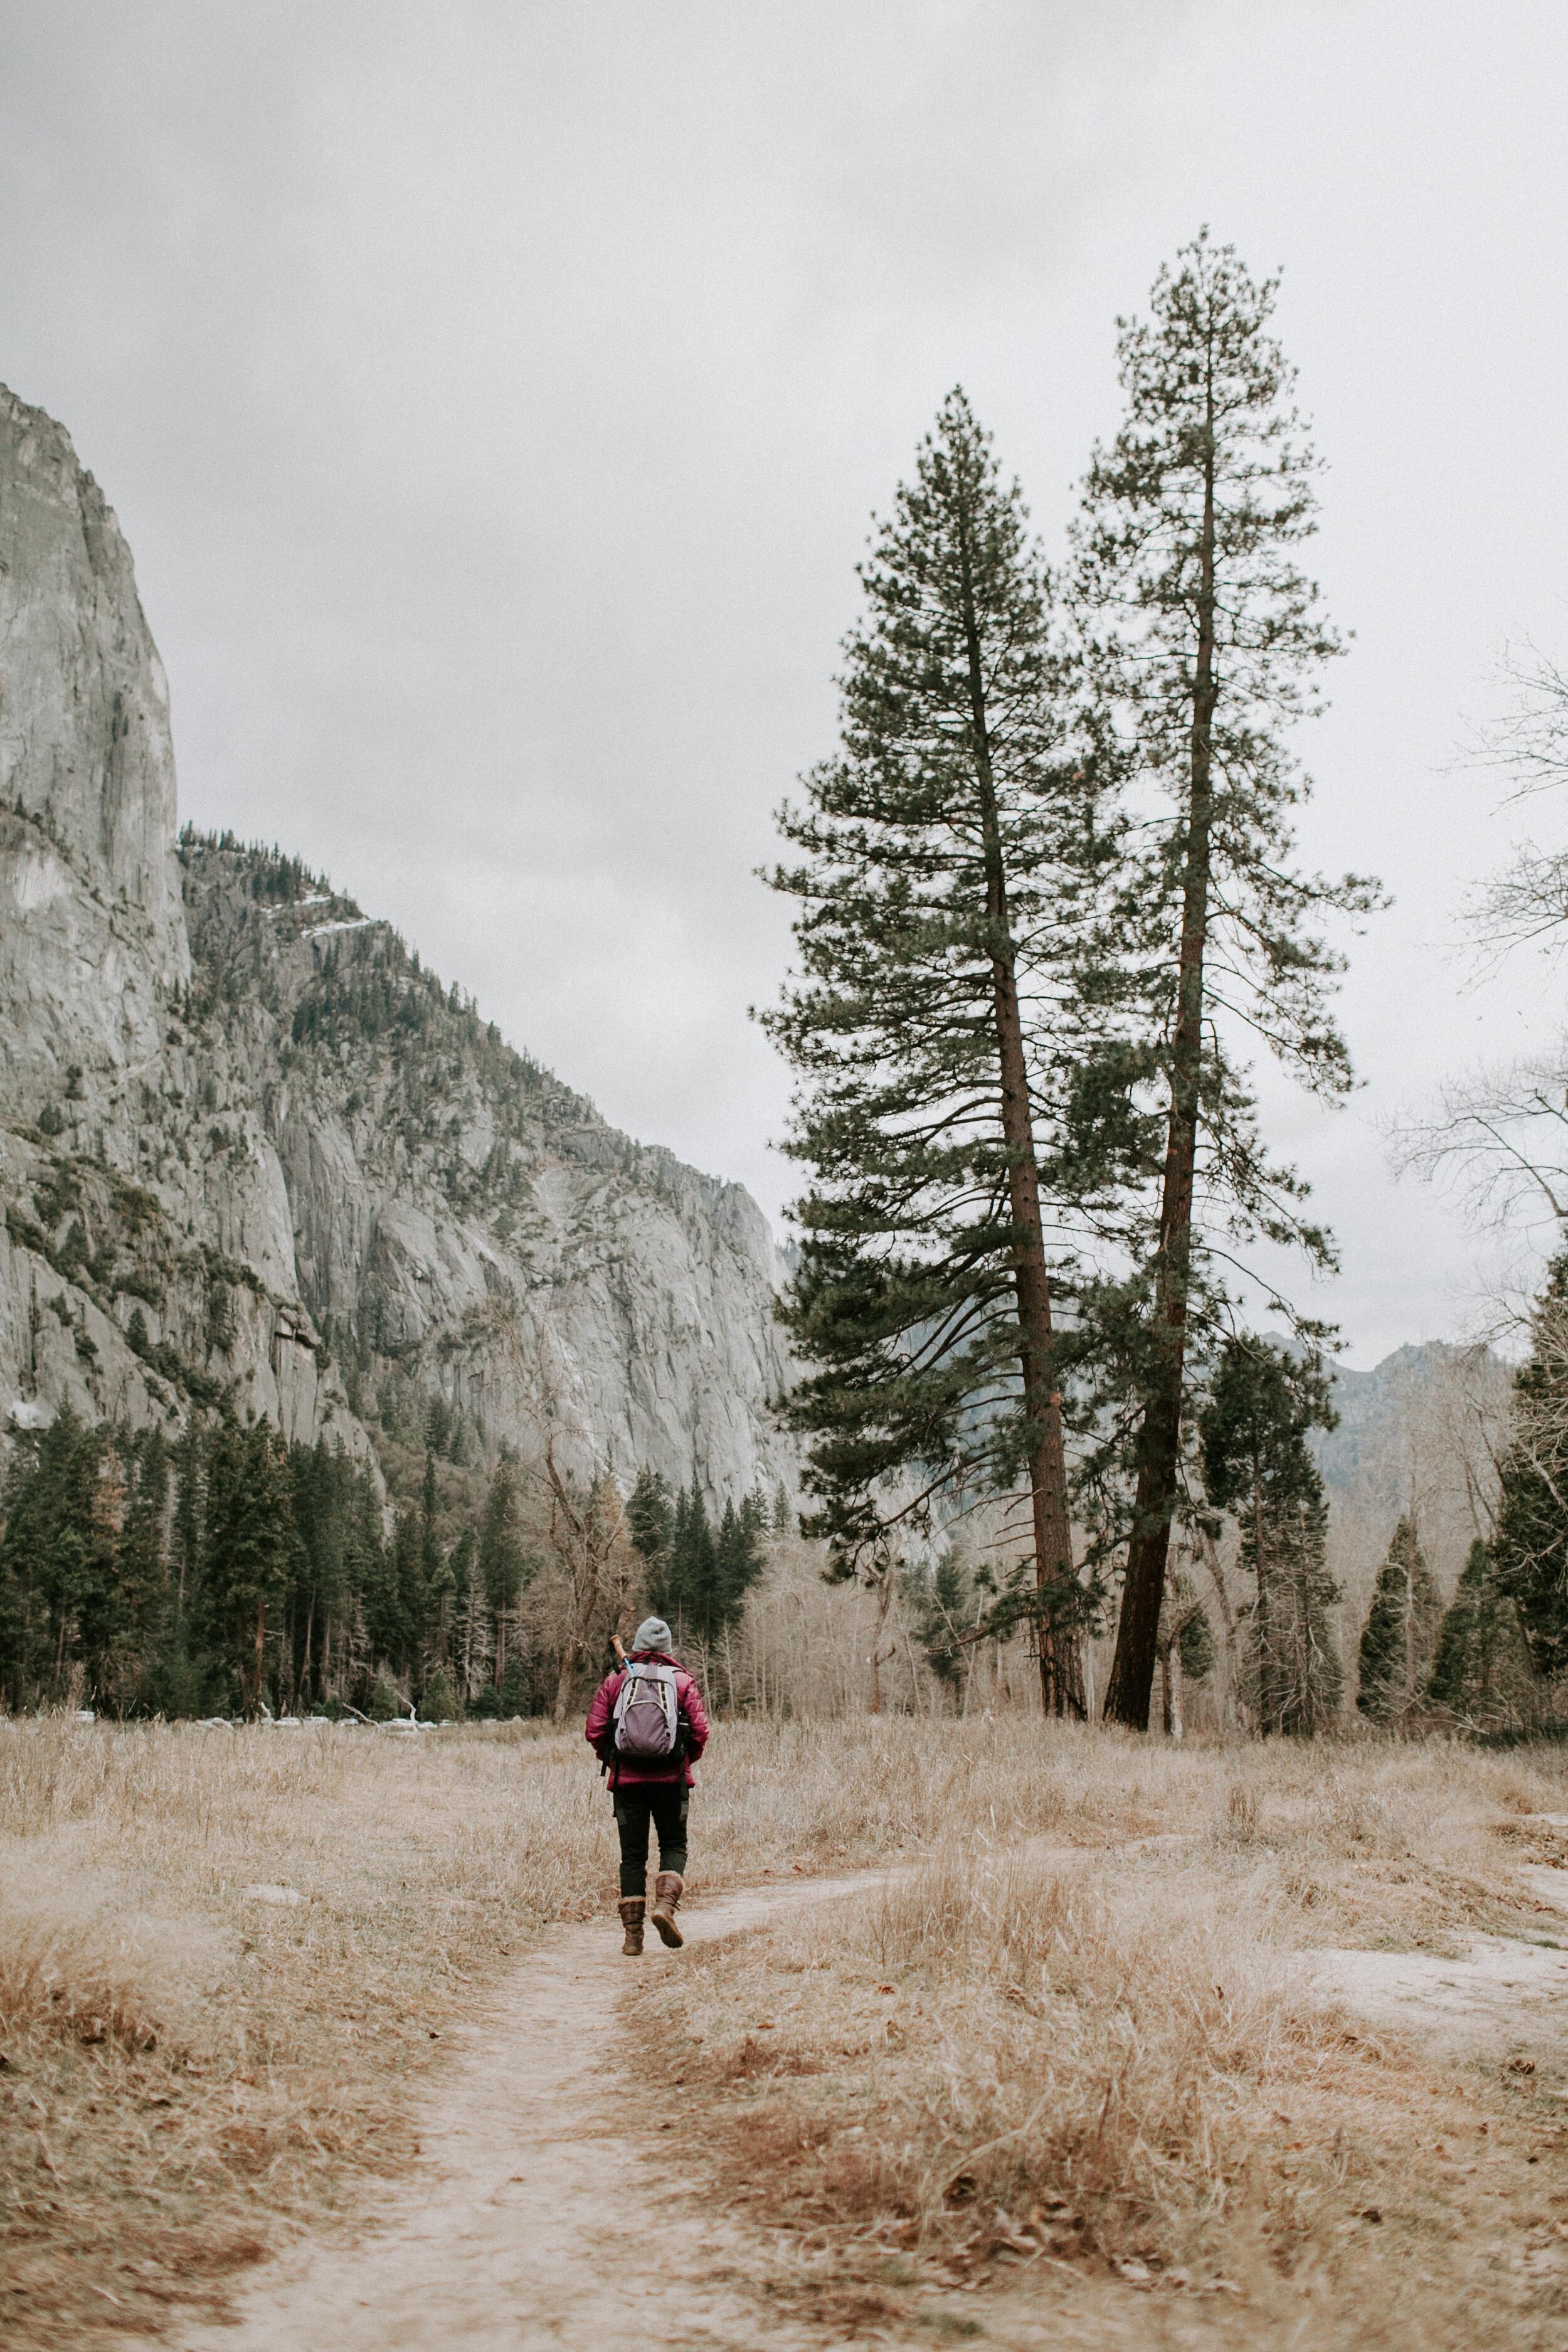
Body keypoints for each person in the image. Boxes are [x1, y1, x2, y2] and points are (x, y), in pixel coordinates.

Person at [584, 1614, 709, 1956]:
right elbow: (700, 1732)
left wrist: (615, 1760)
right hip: (671, 1781)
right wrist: (682, 1760)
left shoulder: (617, 1681)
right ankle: (665, 1907)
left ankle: (633, 1938)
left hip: (628, 1783)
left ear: (638, 1646)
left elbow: (594, 1731)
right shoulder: (682, 1681)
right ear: (668, 1648)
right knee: (673, 1846)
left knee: (632, 1858)